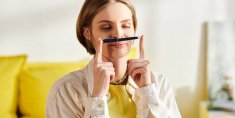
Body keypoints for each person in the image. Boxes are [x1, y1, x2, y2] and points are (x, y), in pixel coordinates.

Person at [46, 0, 181, 117]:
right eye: (106, 27)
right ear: (88, 33)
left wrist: (148, 92)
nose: (118, 34)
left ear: (134, 30)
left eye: (125, 25)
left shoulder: (159, 83)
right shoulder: (65, 92)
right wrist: (97, 98)